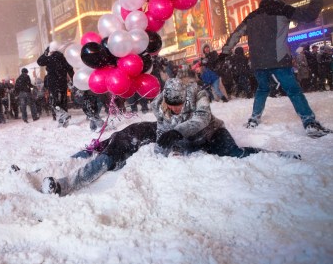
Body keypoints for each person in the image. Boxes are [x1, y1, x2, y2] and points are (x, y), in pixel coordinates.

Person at [39, 77, 300, 196]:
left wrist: (177, 129)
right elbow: (163, 130)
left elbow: (202, 120)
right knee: (175, 151)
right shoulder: (158, 105)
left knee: (235, 154)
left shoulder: (198, 95)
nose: (174, 109)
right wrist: (168, 139)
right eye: (170, 105)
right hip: (184, 139)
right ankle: (65, 184)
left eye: (177, 105)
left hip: (211, 132)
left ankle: (278, 156)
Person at [220, 0, 331, 138]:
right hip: (279, 60)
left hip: (258, 63)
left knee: (262, 89)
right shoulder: (283, 9)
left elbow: (235, 35)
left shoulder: (252, 16)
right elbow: (308, 15)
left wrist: (224, 52)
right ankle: (309, 121)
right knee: (293, 90)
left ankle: (254, 118)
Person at [37, 42, 74, 123]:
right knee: (63, 101)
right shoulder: (63, 58)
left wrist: (45, 53)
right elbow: (70, 69)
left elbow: (39, 62)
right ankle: (63, 120)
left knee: (54, 102)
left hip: (53, 83)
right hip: (62, 83)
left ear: (51, 49)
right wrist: (72, 79)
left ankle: (62, 116)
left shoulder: (49, 58)